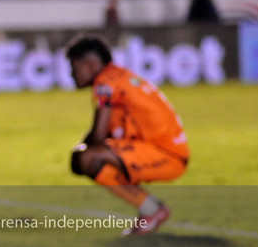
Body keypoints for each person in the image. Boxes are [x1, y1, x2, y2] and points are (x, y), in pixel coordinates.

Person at [66, 34, 189, 235]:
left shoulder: (105, 84)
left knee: (88, 158)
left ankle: (153, 211)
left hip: (166, 155)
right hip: (165, 150)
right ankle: (150, 209)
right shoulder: (118, 76)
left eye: (74, 67)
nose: (71, 74)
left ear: (89, 64)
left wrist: (79, 153)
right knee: (92, 157)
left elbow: (98, 136)